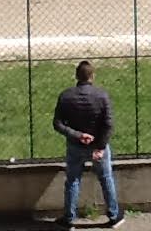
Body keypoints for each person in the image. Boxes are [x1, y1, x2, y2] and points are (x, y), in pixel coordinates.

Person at [52, 61, 124, 228]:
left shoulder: (66, 96)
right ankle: (114, 216)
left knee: (73, 180)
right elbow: (108, 124)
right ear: (93, 76)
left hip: (75, 145)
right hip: (97, 145)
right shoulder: (102, 96)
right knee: (106, 178)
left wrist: (78, 135)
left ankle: (69, 219)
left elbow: (58, 124)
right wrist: (100, 147)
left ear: (76, 76)